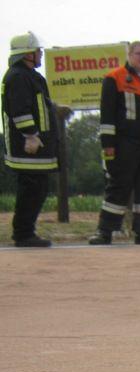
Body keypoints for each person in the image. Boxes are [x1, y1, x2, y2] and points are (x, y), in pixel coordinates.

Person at [90, 40, 140, 245]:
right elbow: (107, 114)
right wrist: (108, 144)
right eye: (139, 54)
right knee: (119, 184)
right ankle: (105, 231)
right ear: (129, 55)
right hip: (126, 142)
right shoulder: (114, 78)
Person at [2, 32, 58, 247]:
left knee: (37, 189)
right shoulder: (18, 76)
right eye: (37, 50)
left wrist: (54, 109)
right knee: (31, 190)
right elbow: (20, 110)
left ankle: (26, 232)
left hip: (36, 145)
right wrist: (30, 135)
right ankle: (23, 234)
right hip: (27, 146)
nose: (40, 53)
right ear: (27, 53)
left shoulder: (28, 75)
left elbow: (37, 106)